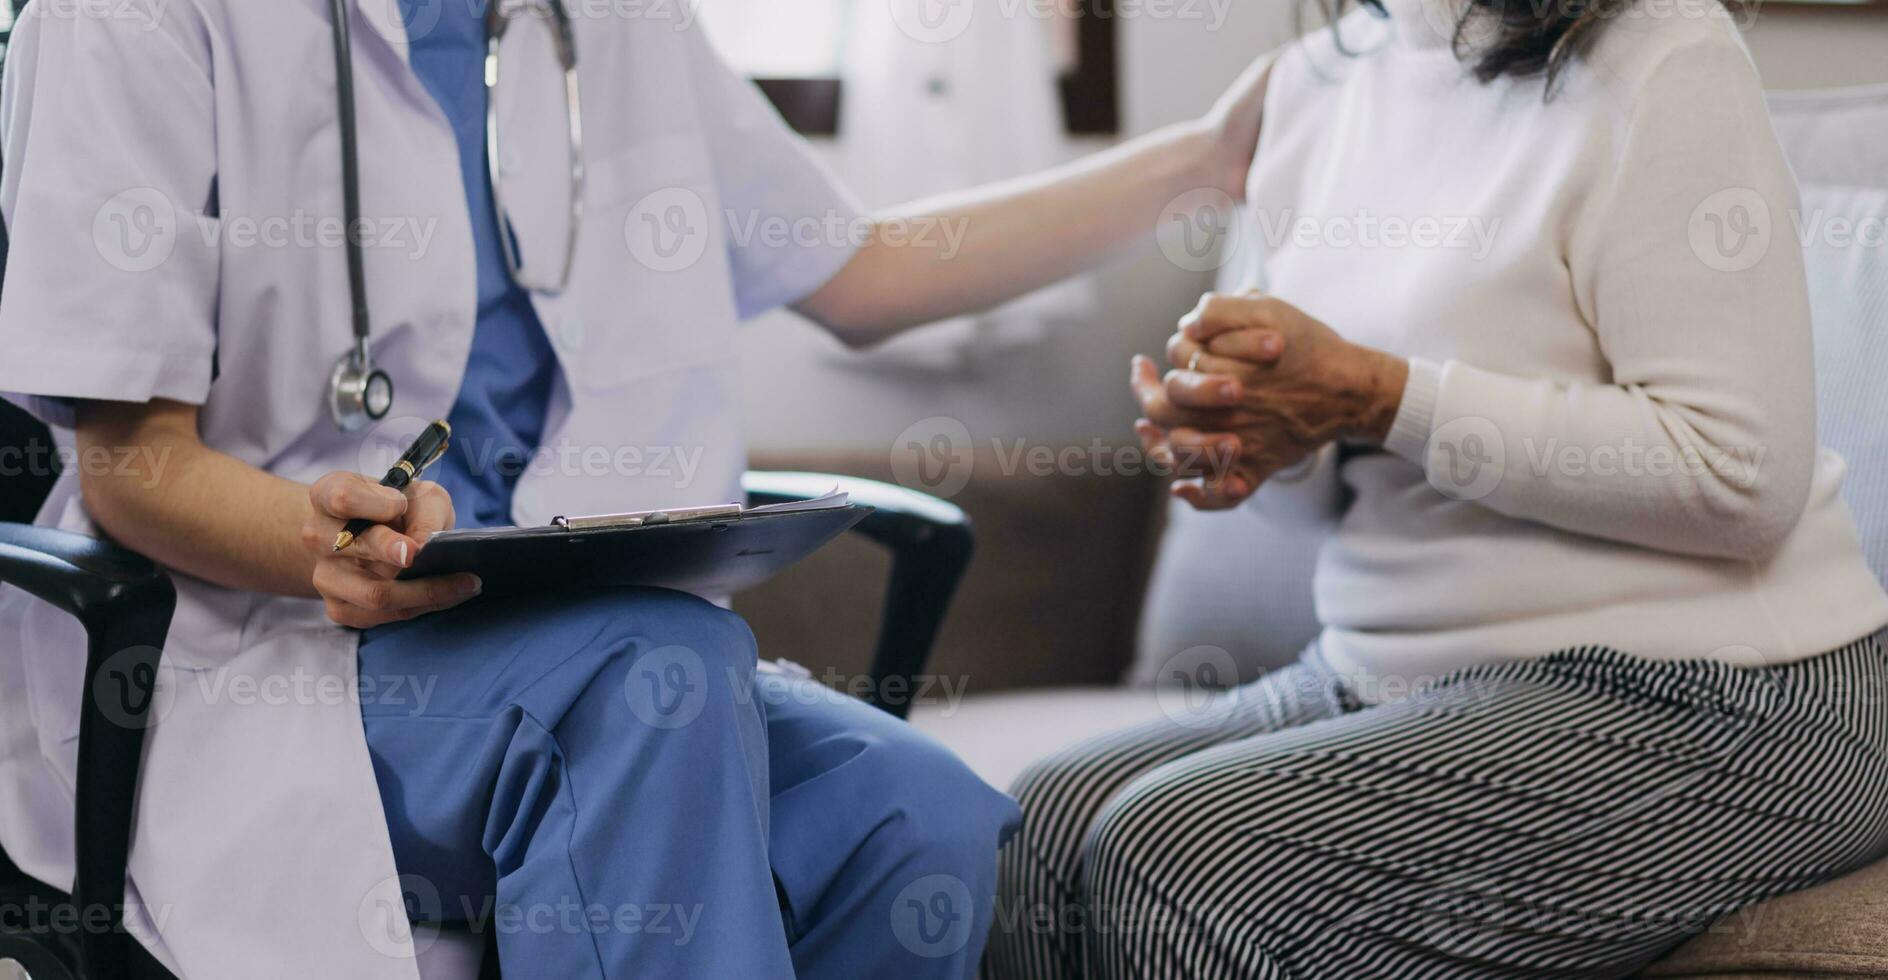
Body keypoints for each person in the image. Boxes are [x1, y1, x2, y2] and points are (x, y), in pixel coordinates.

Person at [0, 2, 1273, 978]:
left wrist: (1208, 161)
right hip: (264, 639)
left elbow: (864, 271)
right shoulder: (132, 16)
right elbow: (129, 459)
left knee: (909, 812)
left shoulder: (603, 18)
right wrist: (318, 541)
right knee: (639, 689)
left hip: (581, 625)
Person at [987, 0, 1888, 976]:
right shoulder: (1316, 84)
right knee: (1031, 825)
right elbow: (1339, 467)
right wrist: (1255, 442)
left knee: (1173, 849)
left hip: (1726, 697)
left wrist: (1377, 393)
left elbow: (1737, 475)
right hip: (1386, 670)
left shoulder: (1664, 51)